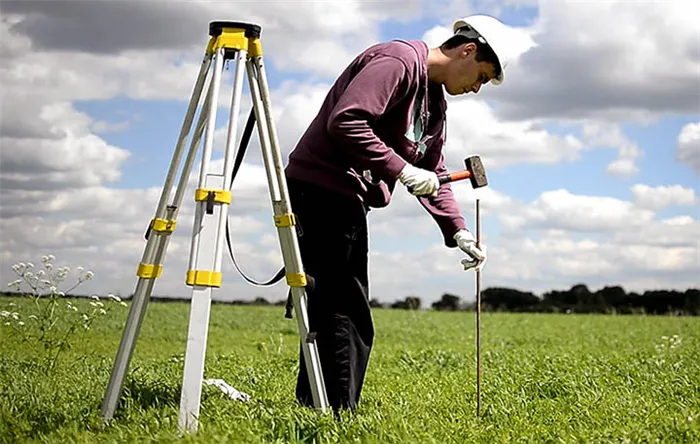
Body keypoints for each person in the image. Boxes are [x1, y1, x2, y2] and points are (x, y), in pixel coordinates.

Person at [283, 14, 519, 413]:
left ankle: (317, 407)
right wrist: (402, 170)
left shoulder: (434, 103)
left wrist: (458, 230)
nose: (477, 89)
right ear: (468, 50)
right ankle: (336, 415)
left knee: (339, 307)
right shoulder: (397, 61)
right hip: (319, 188)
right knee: (345, 309)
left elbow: (434, 170)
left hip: (347, 198)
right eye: (481, 76)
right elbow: (348, 121)